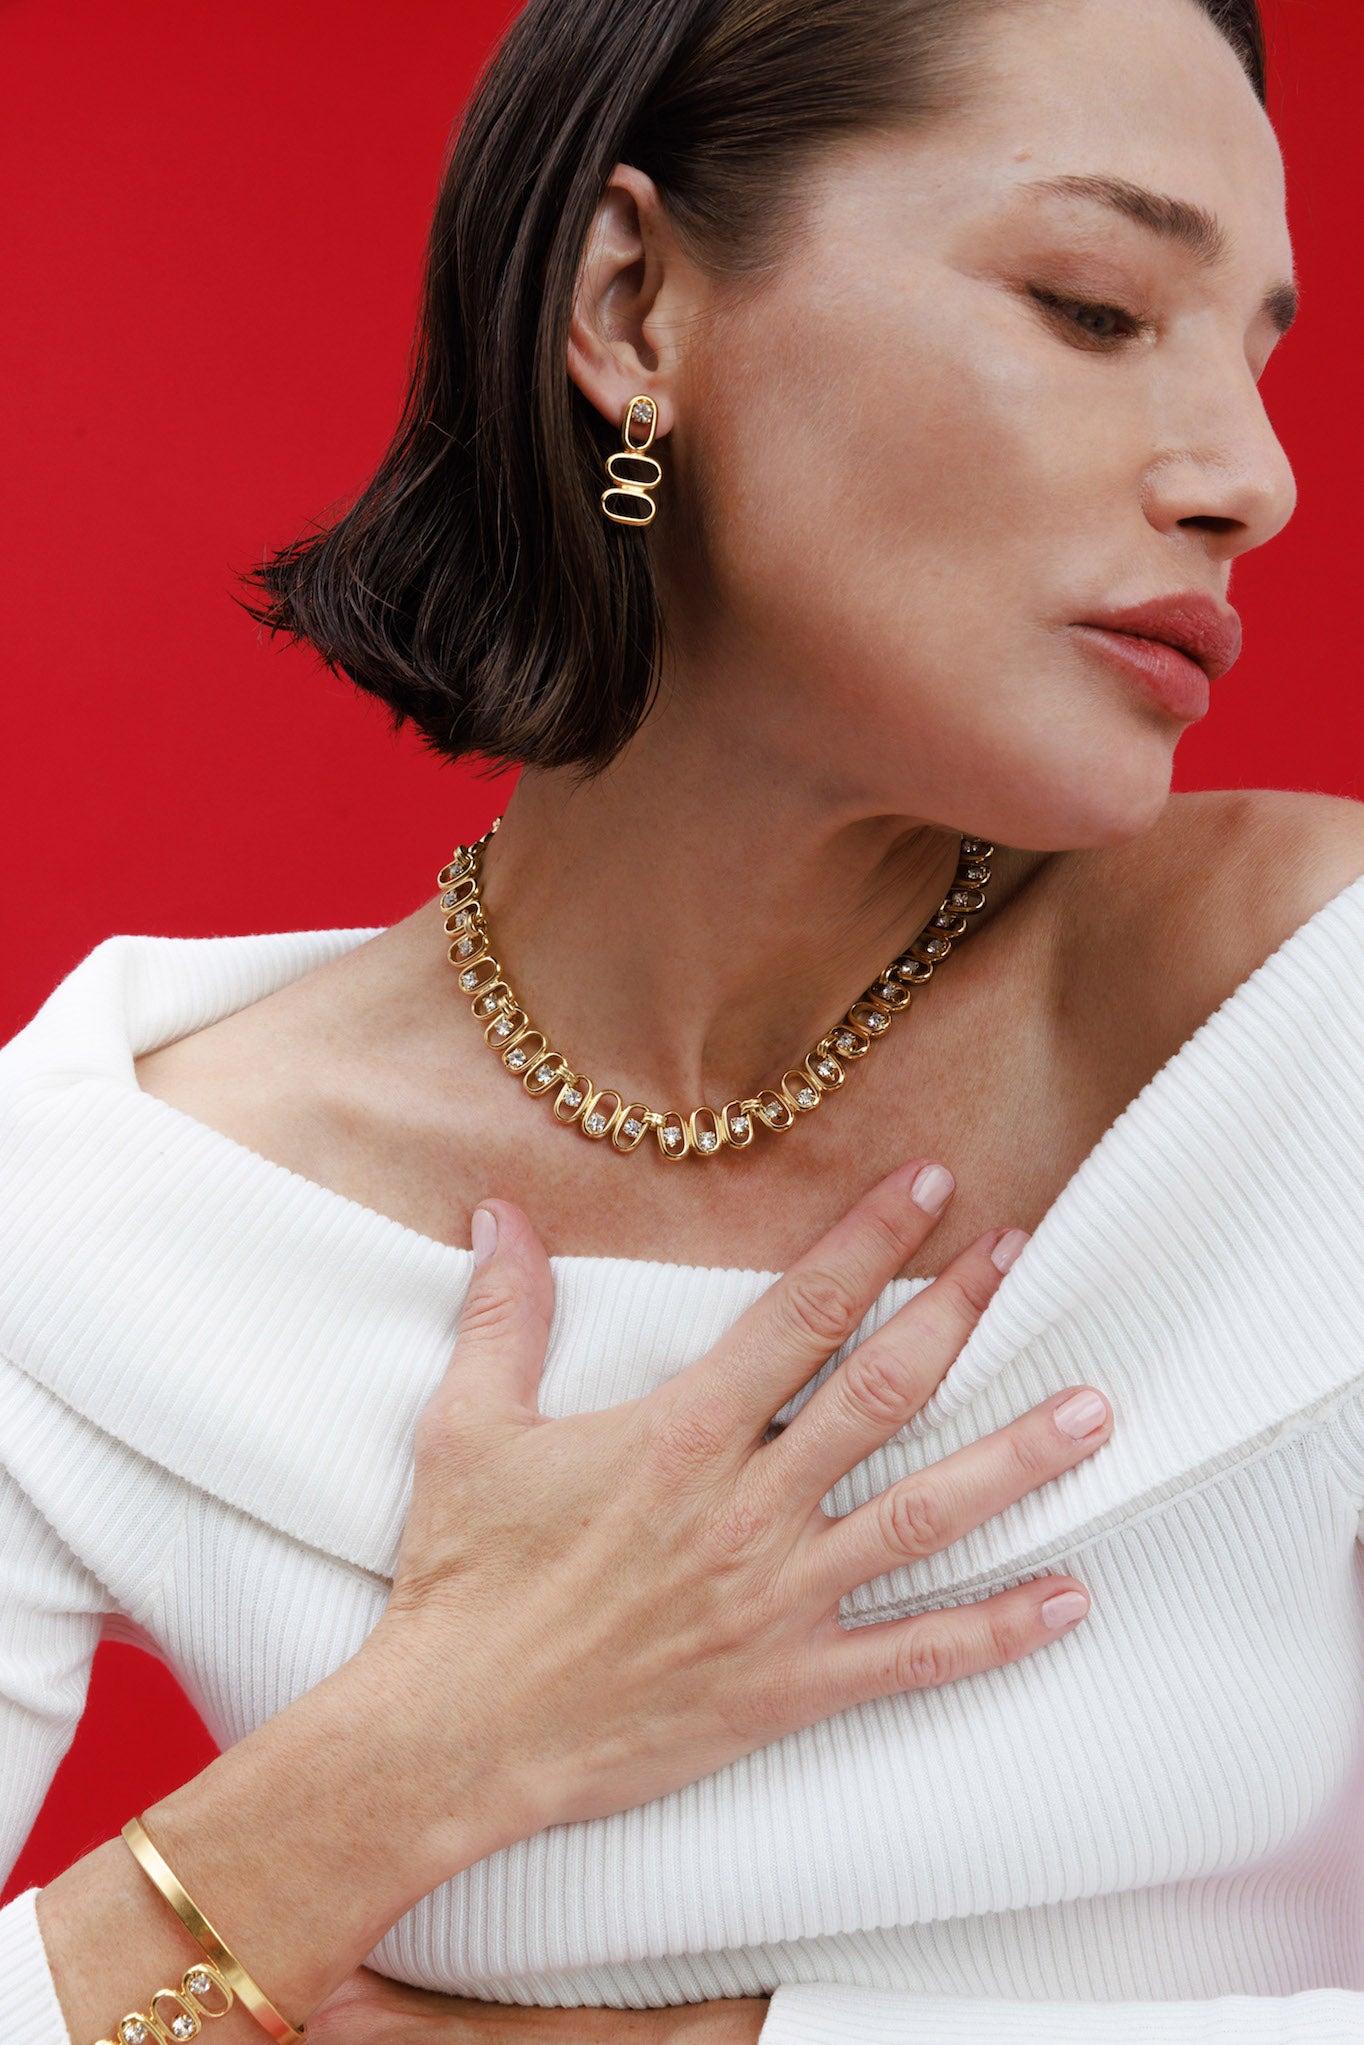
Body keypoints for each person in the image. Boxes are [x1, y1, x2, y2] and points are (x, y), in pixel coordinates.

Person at [2, 0, 1361, 2040]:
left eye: (1259, 354)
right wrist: (433, 1740)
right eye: (1094, 307)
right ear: (631, 305)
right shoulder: (109, 1213)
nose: (1247, 479)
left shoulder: (1311, 1032)